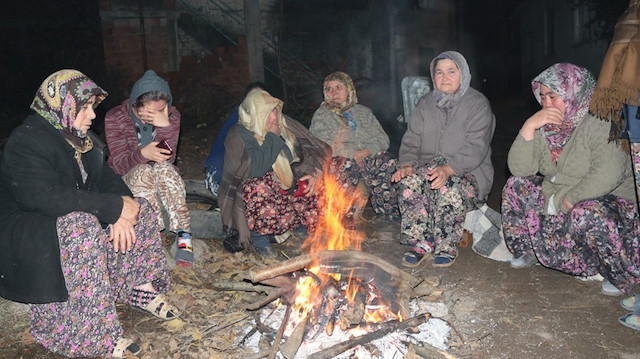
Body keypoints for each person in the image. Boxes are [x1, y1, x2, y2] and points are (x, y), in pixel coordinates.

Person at [0, 70, 179, 358]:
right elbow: (44, 198)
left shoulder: (82, 139)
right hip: (27, 234)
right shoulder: (27, 141)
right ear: (62, 106)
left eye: (92, 107)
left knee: (139, 206)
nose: (92, 115)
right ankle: (92, 334)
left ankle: (138, 286)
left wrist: (125, 206)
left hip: (64, 216)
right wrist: (113, 208)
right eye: (84, 107)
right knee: (81, 225)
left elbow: (106, 178)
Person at [501, 63, 639, 297]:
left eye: (554, 96)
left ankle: (618, 273)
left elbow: (610, 171)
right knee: (516, 186)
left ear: (573, 92)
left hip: (609, 206)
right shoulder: (546, 127)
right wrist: (529, 126)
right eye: (543, 97)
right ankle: (530, 251)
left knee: (588, 211)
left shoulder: (602, 119)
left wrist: (569, 199)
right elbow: (519, 168)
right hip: (561, 199)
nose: (547, 104)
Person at [391, 51, 496, 267]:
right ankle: (424, 240)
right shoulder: (425, 103)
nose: (444, 77)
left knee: (447, 184)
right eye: (439, 72)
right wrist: (407, 164)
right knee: (408, 180)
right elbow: (411, 139)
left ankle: (447, 245)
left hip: (469, 172)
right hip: (430, 167)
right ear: (432, 76)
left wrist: (449, 168)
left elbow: (477, 147)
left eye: (451, 71)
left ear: (463, 74)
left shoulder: (477, 103)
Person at [218, 89, 330, 257]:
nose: (275, 116)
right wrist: (272, 137)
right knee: (258, 185)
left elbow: (313, 150)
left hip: (287, 188)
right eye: (269, 111)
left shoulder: (285, 125)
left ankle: (298, 227)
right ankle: (259, 238)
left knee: (326, 179)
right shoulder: (239, 135)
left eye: (276, 110)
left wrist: (315, 173)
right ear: (255, 113)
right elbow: (255, 169)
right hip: (255, 198)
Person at [105, 70, 193, 267]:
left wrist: (165, 126)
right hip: (128, 177)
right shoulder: (115, 118)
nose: (150, 119)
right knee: (144, 170)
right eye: (146, 113)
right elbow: (119, 165)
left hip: (161, 173)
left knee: (164, 169)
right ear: (134, 105)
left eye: (160, 110)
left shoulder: (172, 116)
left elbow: (168, 160)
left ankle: (185, 239)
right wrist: (142, 154)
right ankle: (152, 236)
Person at [310, 71, 399, 219]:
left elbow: (383, 139)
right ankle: (346, 214)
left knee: (388, 162)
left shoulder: (364, 112)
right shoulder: (322, 115)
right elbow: (321, 143)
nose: (334, 92)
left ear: (349, 89)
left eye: (339, 87)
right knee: (345, 164)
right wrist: (353, 154)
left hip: (368, 156)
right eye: (329, 88)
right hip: (342, 159)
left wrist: (367, 151)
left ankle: (387, 212)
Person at [204, 81, 266, 197]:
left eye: (260, 97)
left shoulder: (269, 117)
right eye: (252, 97)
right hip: (222, 181)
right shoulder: (241, 117)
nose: (256, 101)